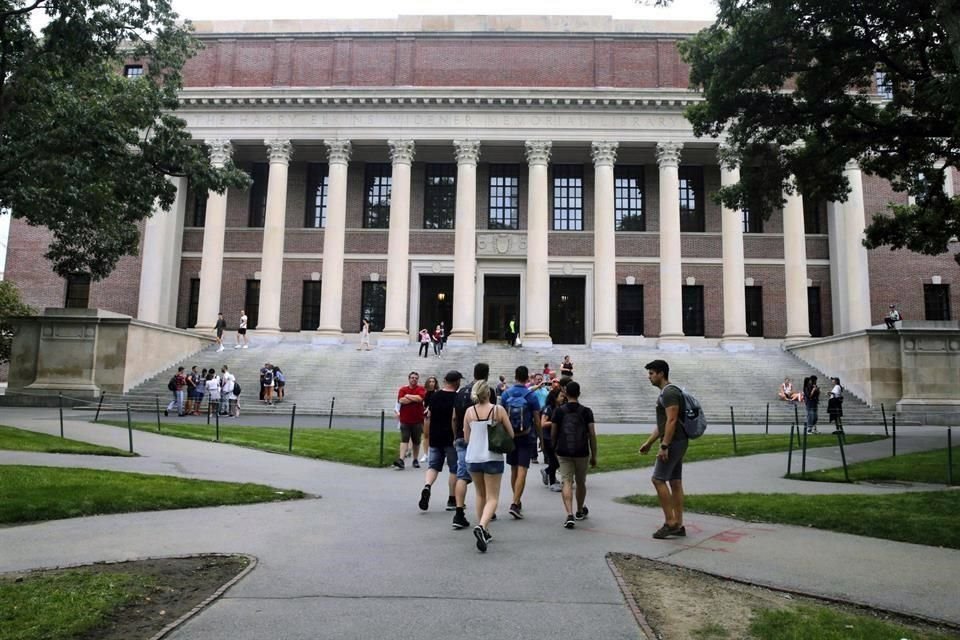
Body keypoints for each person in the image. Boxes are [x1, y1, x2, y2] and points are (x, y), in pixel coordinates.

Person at [639, 359, 688, 540]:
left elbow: (672, 421)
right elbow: (663, 423)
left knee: (658, 479)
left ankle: (670, 522)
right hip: (677, 441)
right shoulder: (667, 393)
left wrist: (664, 446)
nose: (649, 377)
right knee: (675, 482)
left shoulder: (669, 393)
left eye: (651, 373)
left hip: (673, 442)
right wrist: (650, 442)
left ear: (661, 373)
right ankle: (679, 524)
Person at [464, 379, 514, 552]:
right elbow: (511, 433)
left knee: (480, 494)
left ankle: (485, 530)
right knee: (493, 497)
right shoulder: (497, 410)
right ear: (489, 393)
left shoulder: (469, 412)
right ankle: (482, 526)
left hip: (473, 456)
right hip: (492, 456)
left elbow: (466, 438)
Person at [451, 362, 495, 530]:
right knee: (485, 475)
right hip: (482, 439)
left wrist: (456, 436)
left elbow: (454, 417)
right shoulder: (487, 391)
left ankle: (459, 511)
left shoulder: (461, 391)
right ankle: (487, 509)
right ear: (487, 374)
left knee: (462, 475)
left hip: (463, 437)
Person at [550, 381, 597, 528]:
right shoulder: (586, 411)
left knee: (566, 481)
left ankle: (569, 514)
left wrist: (554, 447)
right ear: (579, 393)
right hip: (582, 451)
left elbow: (553, 432)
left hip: (563, 450)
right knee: (581, 482)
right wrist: (594, 454)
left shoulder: (559, 411)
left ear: (565, 393)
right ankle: (579, 510)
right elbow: (592, 435)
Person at [499, 365, 542, 520]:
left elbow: (501, 416)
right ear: (526, 379)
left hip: (511, 436)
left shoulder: (506, 394)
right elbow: (537, 420)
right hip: (526, 435)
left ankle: (516, 499)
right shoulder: (531, 395)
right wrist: (541, 439)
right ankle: (515, 502)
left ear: (515, 376)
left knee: (513, 470)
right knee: (523, 469)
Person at [419, 371, 462, 513]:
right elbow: (455, 419)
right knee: (454, 469)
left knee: (433, 466)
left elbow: (428, 416)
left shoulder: (435, 396)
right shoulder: (457, 397)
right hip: (450, 438)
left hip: (435, 436)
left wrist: (428, 434)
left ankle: (427, 486)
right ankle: (451, 498)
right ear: (456, 382)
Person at [394, 371, 426, 470]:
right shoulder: (403, 389)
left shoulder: (421, 389)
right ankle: (401, 459)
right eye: (412, 377)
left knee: (416, 441)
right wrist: (413, 398)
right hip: (405, 419)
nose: (414, 379)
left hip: (417, 420)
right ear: (409, 379)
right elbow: (401, 400)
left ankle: (415, 459)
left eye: (416, 378)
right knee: (404, 439)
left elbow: (420, 398)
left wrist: (408, 396)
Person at [539, 385, 565, 492]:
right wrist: (555, 421)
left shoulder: (559, 408)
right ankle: (552, 481)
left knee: (556, 460)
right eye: (561, 396)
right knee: (554, 460)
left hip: (556, 437)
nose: (563, 398)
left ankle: (548, 472)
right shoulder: (548, 408)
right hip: (547, 438)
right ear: (555, 397)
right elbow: (543, 423)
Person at [421, 376, 439, 463]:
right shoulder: (425, 393)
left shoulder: (438, 393)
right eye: (430, 381)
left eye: (433, 381)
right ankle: (425, 454)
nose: (432, 383)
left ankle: (435, 453)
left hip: (435, 416)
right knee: (426, 435)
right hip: (426, 416)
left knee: (435, 435)